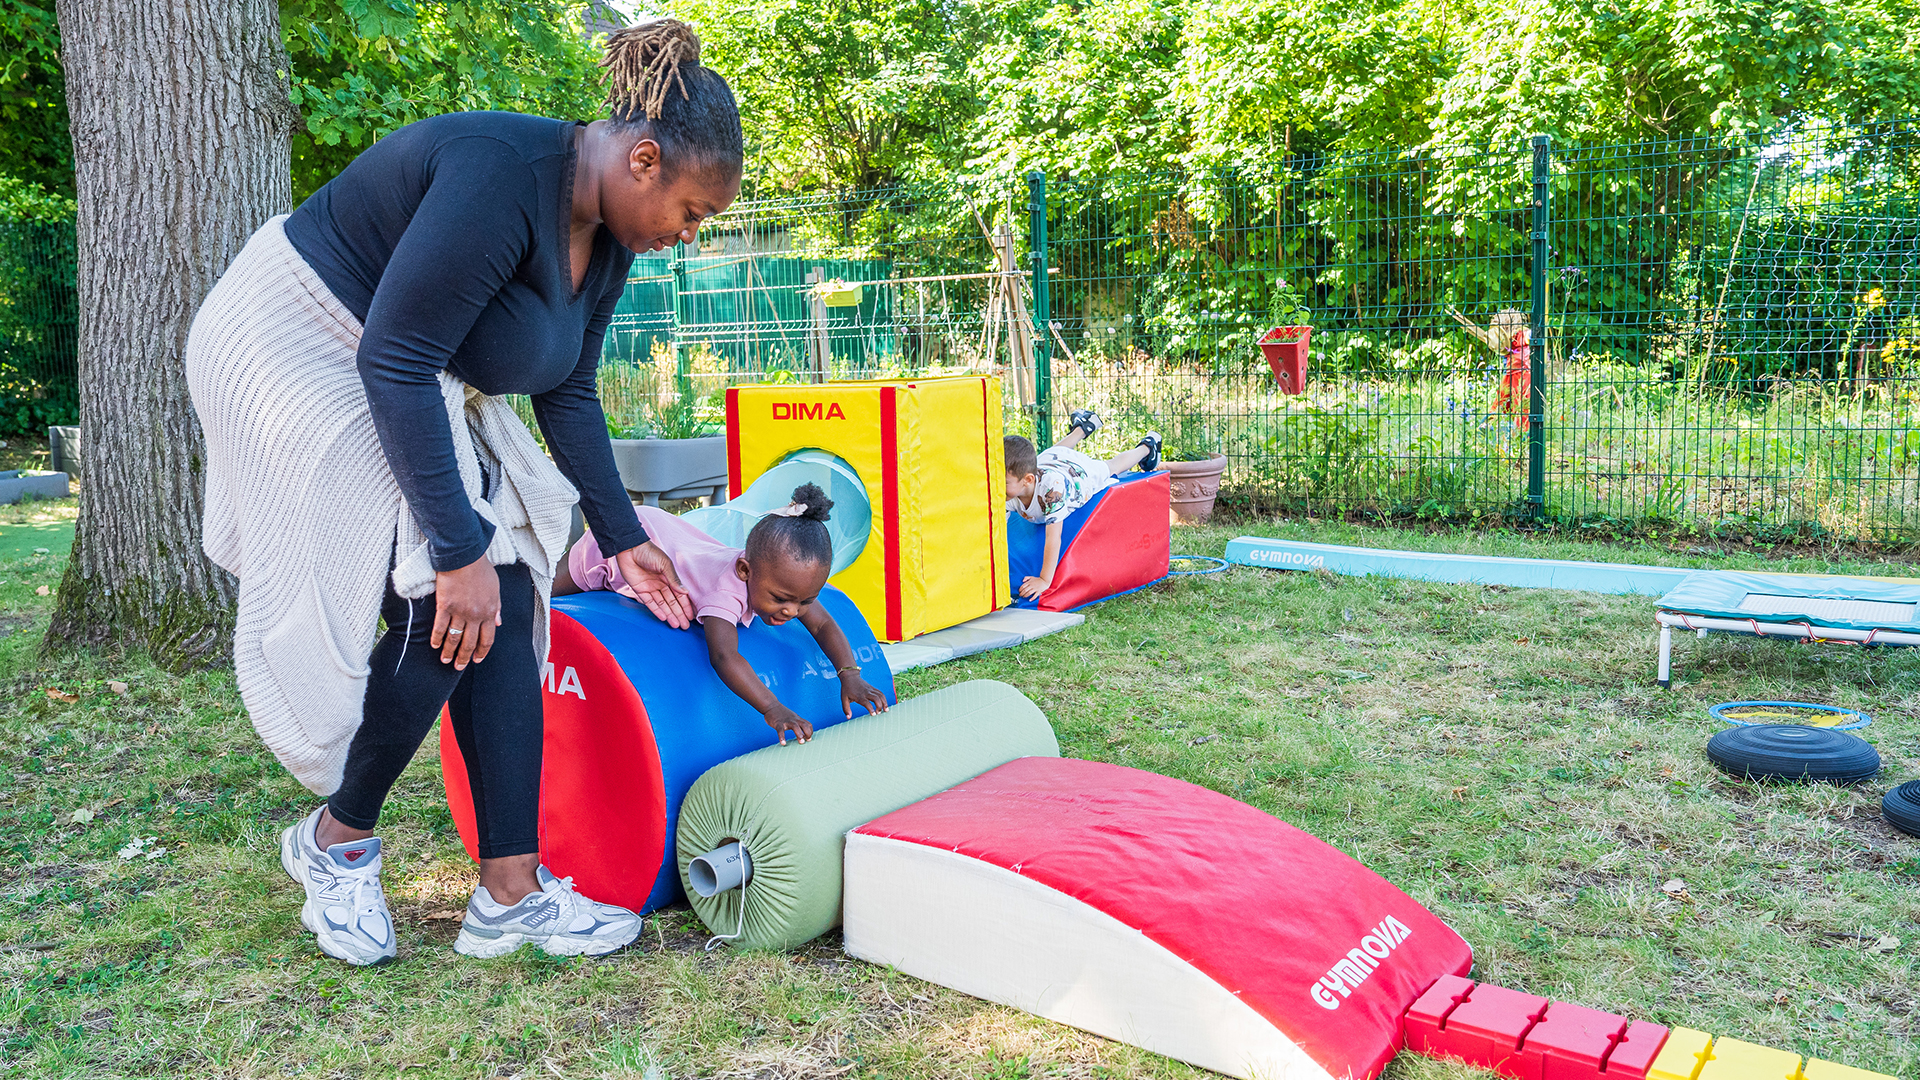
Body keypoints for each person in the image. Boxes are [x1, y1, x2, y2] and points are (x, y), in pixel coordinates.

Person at [185, 20, 741, 966]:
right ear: (642, 158)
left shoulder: (607, 239)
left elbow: (564, 389)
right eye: (690, 212)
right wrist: (453, 548)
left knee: (514, 582)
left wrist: (619, 535)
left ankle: (510, 893)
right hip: (295, 338)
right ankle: (335, 844)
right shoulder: (498, 174)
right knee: (449, 590)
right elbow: (393, 358)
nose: (687, 237)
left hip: (400, 366)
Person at [558, 483, 890, 744]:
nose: (792, 610)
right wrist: (772, 708)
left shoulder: (778, 578)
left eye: (804, 601)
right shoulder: (725, 592)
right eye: (781, 599)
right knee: (545, 588)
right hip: (629, 543)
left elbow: (823, 624)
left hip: (668, 536)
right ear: (745, 570)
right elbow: (723, 655)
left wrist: (850, 674)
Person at [1004, 410, 1162, 599]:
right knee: (1053, 452)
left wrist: (1045, 580)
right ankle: (1084, 427)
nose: (996, 486)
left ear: (1027, 480)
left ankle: (1148, 447)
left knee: (1111, 467)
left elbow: (1053, 538)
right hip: (1051, 462)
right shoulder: (1011, 486)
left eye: (1004, 482)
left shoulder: (1051, 492)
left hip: (1077, 477)